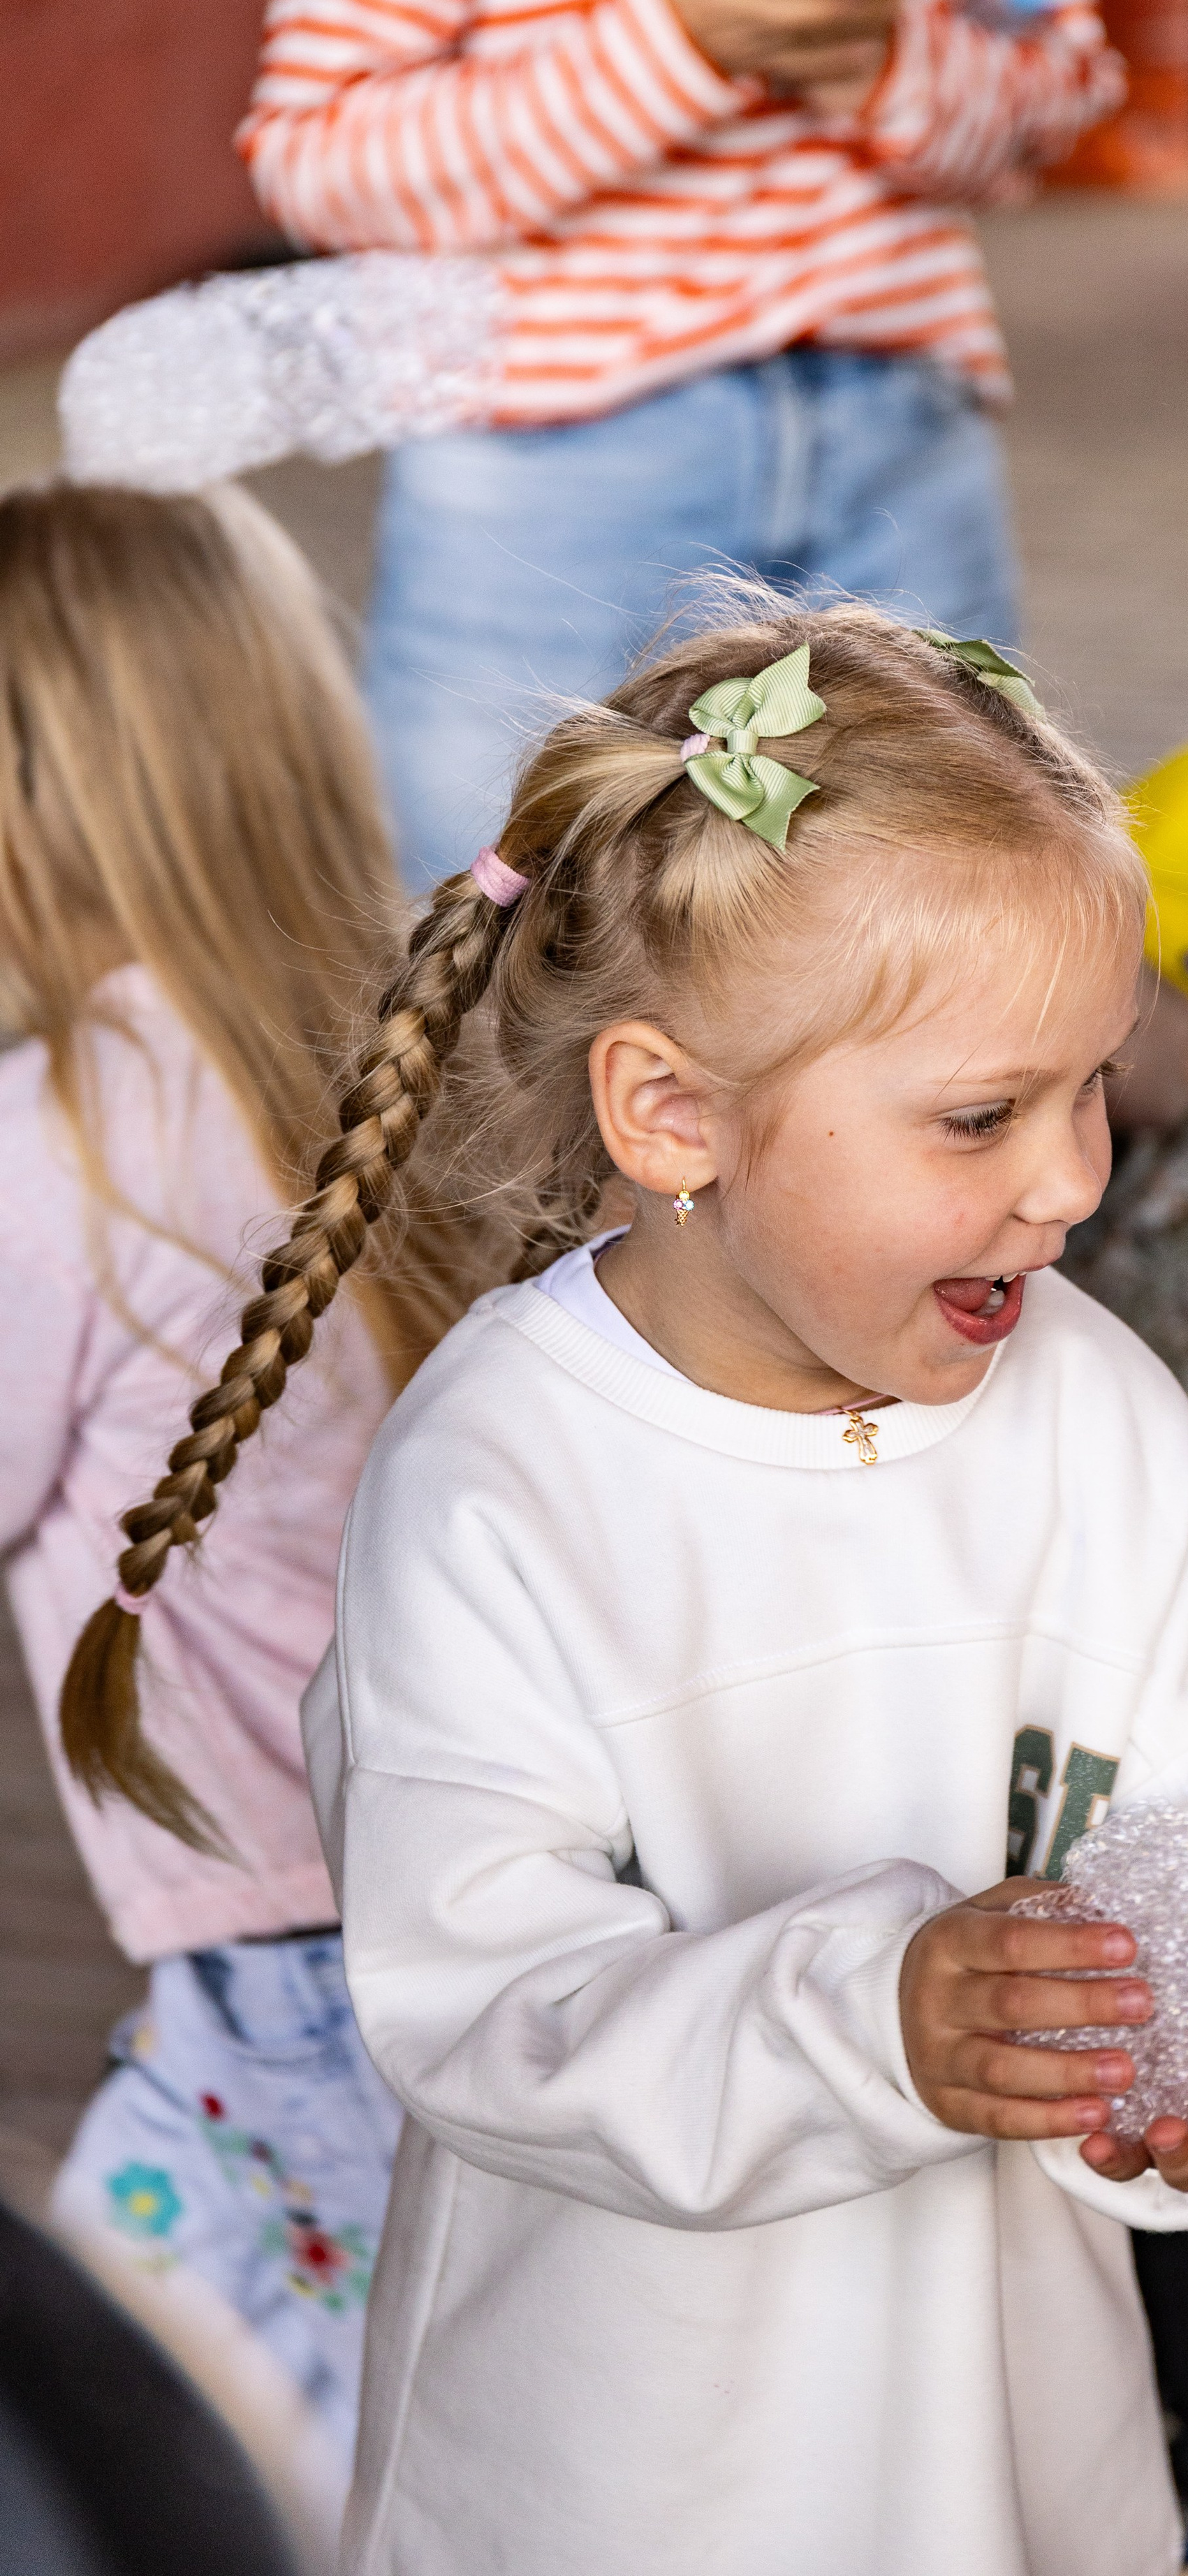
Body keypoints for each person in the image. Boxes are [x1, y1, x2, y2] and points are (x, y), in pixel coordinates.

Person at [94, 594, 1188, 2573]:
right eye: (980, 1116)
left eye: (1092, 1085)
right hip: (618, 2477)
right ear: (672, 1113)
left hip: (1013, 2460)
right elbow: (485, 1998)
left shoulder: (1095, 1414)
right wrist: (884, 2017)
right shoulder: (499, 1479)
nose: (1072, 1182)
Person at [0, 481, 472, 2507]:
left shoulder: (73, 1131)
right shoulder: (392, 1042)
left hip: (282, 1971)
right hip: (451, 1896)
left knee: (174, 2449)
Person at [237, 0, 1122, 889]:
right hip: (546, 462)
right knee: (499, 955)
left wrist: (884, 66)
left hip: (899, 428)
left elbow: (1056, 94)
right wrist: (666, 46)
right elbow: (323, 167)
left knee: (963, 915)